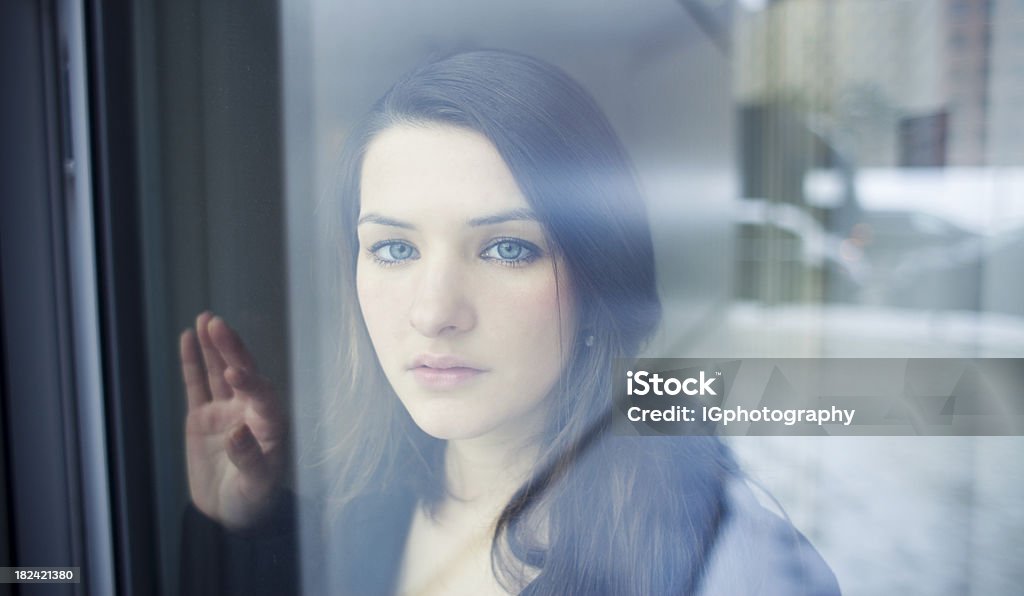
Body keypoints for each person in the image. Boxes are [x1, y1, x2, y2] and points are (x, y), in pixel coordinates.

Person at [179, 50, 840, 595]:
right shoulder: (366, 507)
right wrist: (245, 527)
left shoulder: (721, 558)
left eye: (508, 248)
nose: (434, 313)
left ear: (598, 275)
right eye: (395, 249)